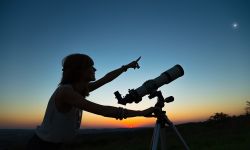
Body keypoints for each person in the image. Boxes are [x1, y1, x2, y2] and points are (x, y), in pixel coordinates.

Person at [26, 53, 157, 150]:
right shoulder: (66, 92)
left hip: (56, 146)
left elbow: (106, 79)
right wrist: (141, 112)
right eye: (91, 67)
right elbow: (104, 110)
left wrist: (126, 67)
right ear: (79, 70)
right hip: (42, 146)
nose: (95, 70)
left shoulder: (78, 90)